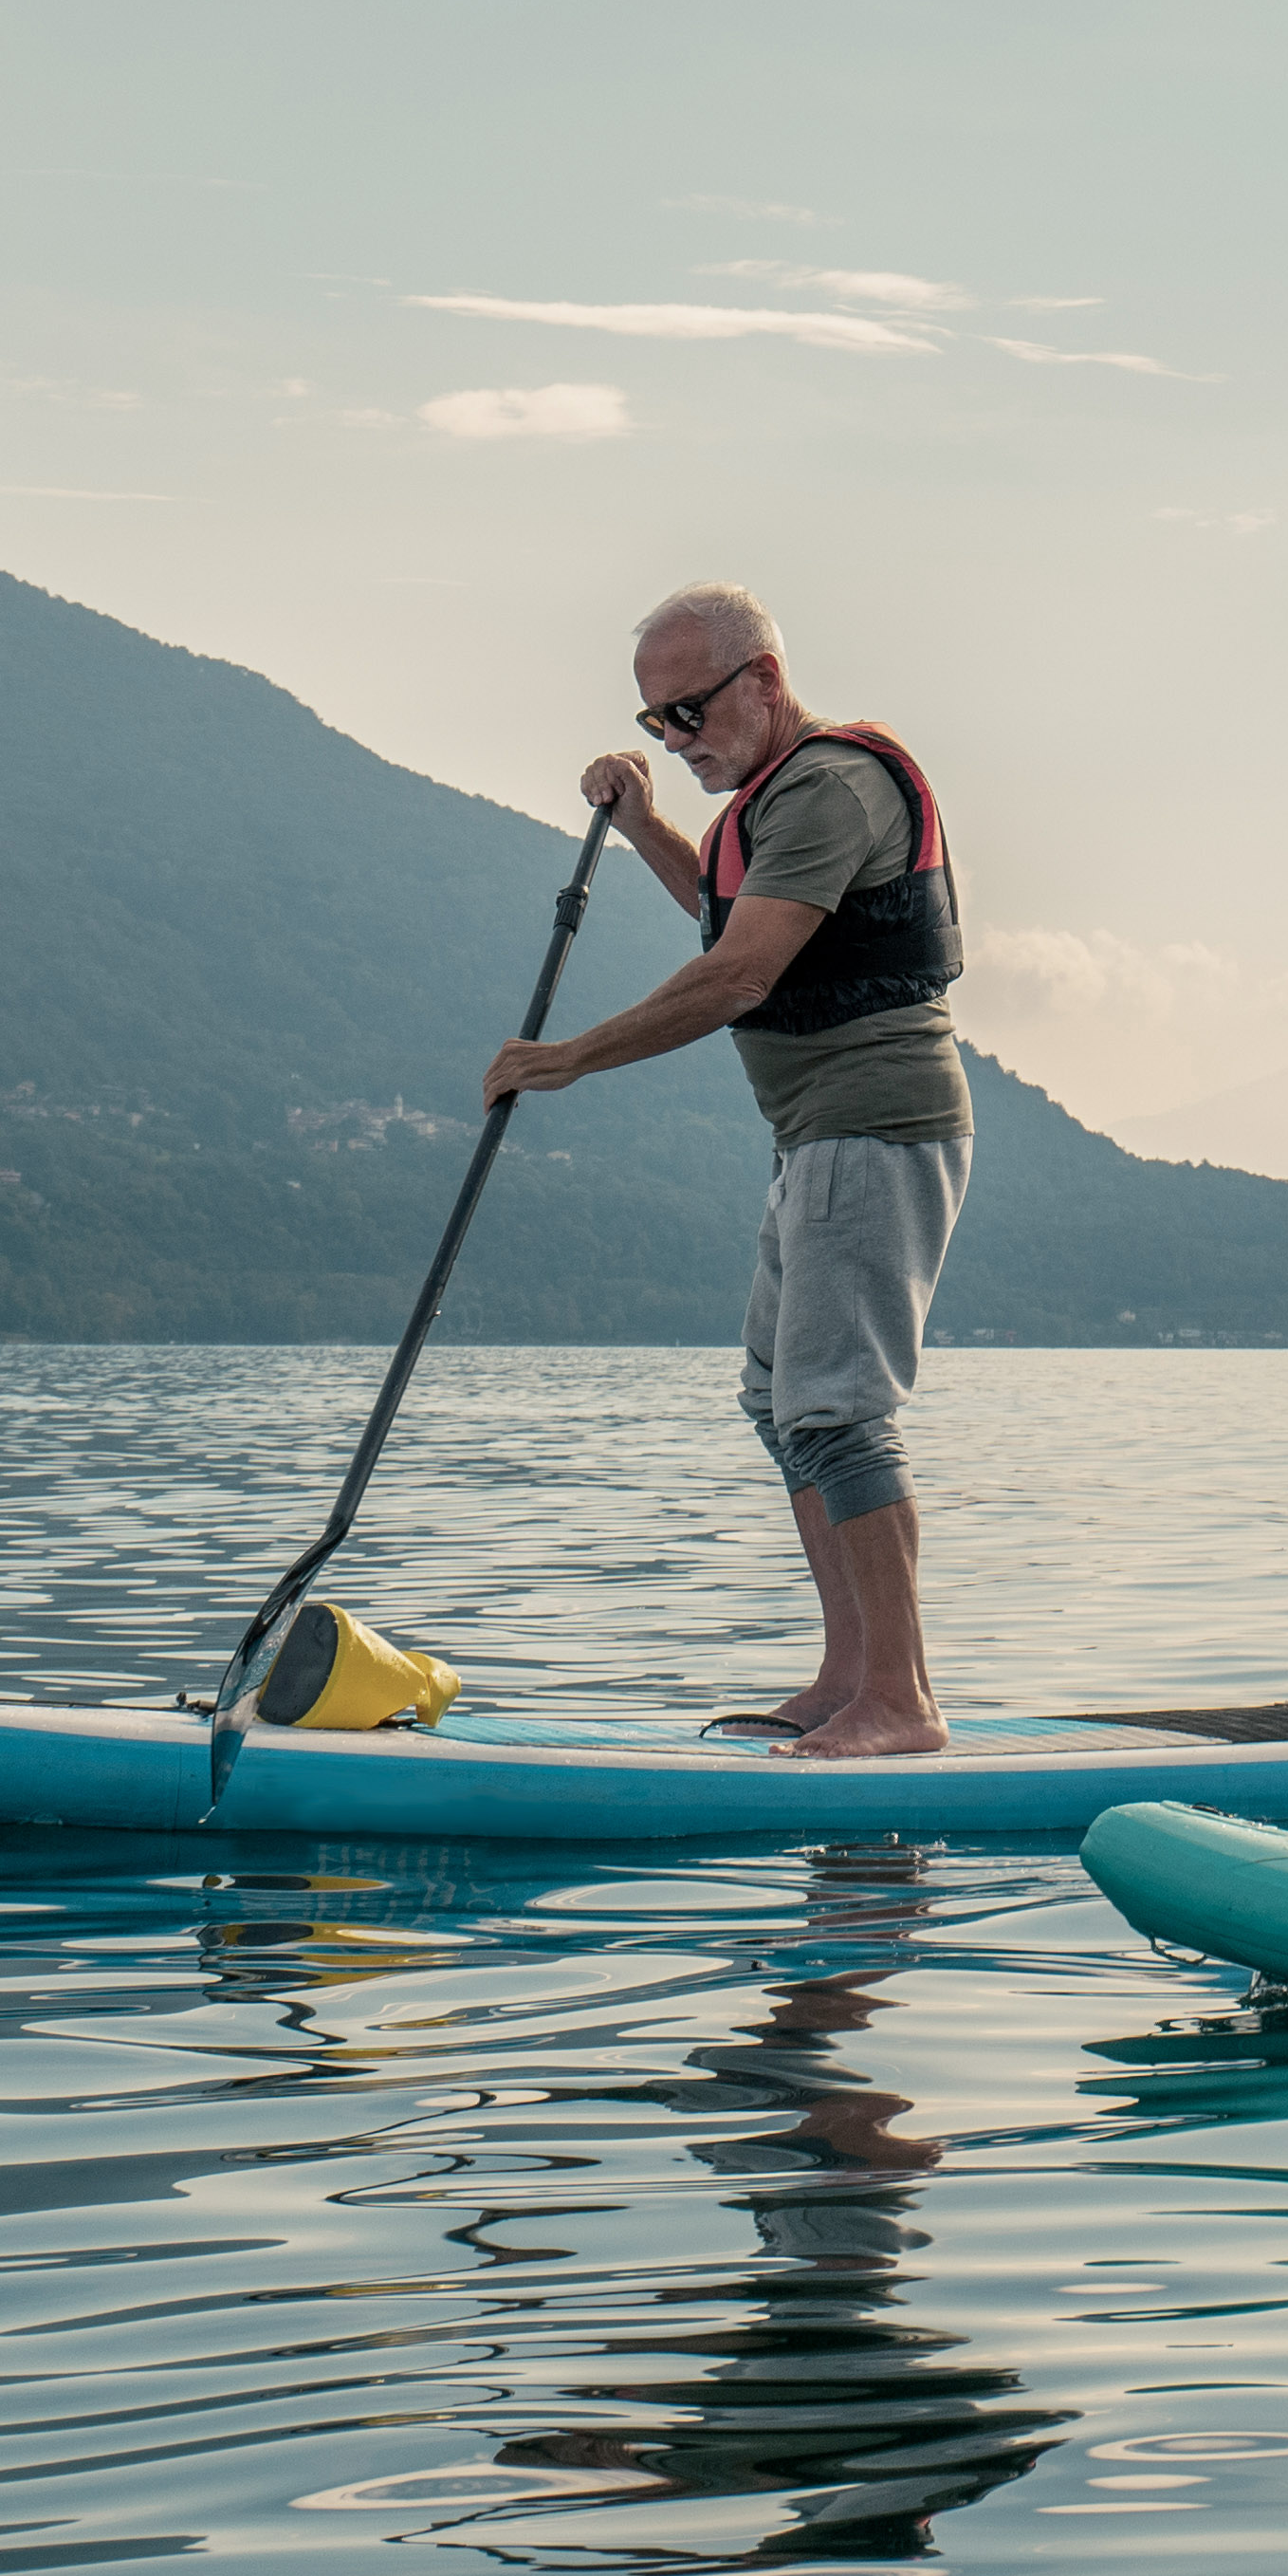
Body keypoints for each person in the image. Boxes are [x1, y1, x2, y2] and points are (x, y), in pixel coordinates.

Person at [487, 580, 973, 1760]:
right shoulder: (772, 803)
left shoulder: (830, 786)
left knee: (837, 1409)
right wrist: (649, 815)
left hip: (873, 1123)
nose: (679, 737)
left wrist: (570, 1059)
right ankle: (849, 1675)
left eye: (691, 712)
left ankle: (900, 1703)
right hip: (816, 1133)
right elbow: (726, 913)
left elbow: (739, 974)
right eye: (657, 722)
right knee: (779, 1400)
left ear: (761, 679)